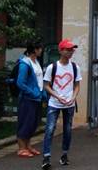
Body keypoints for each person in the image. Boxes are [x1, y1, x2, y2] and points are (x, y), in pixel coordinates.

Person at [41, 39, 82, 170]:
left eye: (72, 50)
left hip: (69, 104)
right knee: (50, 129)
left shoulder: (75, 67)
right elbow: (46, 85)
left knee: (68, 130)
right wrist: (57, 96)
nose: (71, 52)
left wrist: (73, 97)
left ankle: (64, 154)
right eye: (68, 49)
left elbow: (77, 85)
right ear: (60, 51)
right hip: (54, 103)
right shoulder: (52, 67)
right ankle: (46, 157)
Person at [16, 41, 45, 158]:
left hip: (36, 98)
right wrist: (33, 93)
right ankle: (21, 148)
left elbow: (39, 80)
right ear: (34, 50)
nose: (41, 50)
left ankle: (28, 145)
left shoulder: (36, 62)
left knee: (33, 123)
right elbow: (20, 83)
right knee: (25, 122)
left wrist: (42, 94)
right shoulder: (25, 64)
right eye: (40, 48)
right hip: (27, 99)